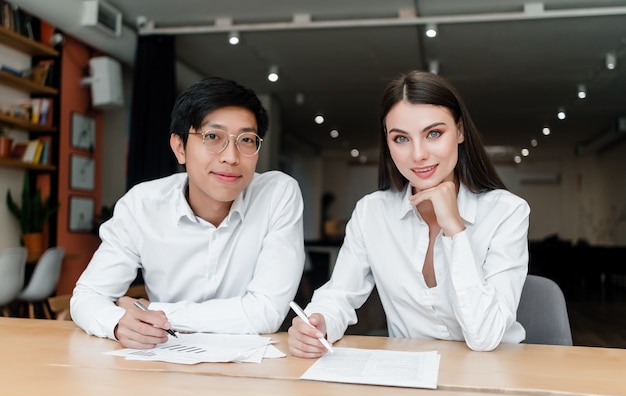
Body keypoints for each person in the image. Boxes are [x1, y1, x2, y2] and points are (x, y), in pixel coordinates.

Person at [288, 70, 530, 357]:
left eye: (434, 134)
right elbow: (339, 294)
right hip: (411, 378)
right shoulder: (372, 212)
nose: (418, 155)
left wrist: (455, 228)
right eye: (401, 139)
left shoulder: (507, 212)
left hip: (493, 373)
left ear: (460, 131)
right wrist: (318, 322)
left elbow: (485, 337)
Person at [71, 77, 306, 348]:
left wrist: (156, 311)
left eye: (246, 140)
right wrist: (115, 323)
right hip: (164, 362)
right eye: (212, 137)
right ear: (179, 147)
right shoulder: (143, 204)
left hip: (250, 370)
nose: (231, 156)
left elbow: (265, 313)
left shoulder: (277, 194)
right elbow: (88, 294)